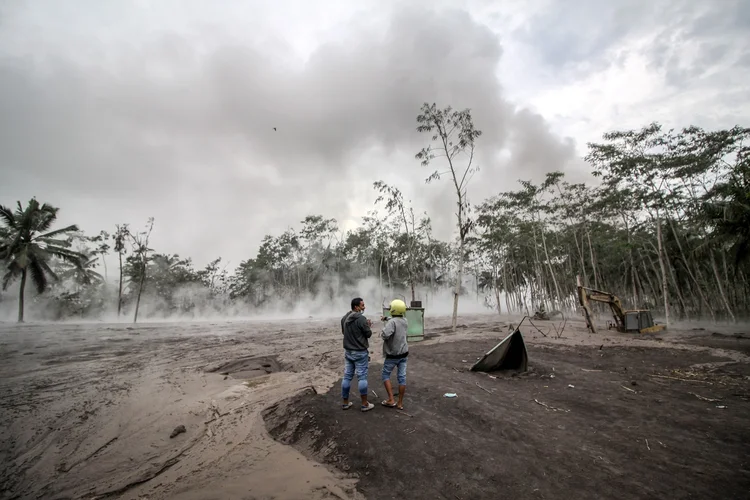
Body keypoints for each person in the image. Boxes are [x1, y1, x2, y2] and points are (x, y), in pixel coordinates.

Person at [341, 297, 374, 412]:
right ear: (356, 307)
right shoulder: (361, 319)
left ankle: (345, 403)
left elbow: (344, 332)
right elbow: (368, 334)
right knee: (362, 377)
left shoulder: (344, 318)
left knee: (347, 376)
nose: (364, 307)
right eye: (362, 305)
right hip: (360, 352)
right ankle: (364, 404)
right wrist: (368, 326)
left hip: (348, 352)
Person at [380, 299, 408, 410]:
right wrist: (386, 318)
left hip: (392, 355)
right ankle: (400, 403)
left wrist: (384, 326)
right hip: (404, 354)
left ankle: (391, 400)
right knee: (402, 378)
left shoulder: (391, 323)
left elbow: (385, 335)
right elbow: (396, 320)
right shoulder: (405, 320)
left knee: (385, 375)